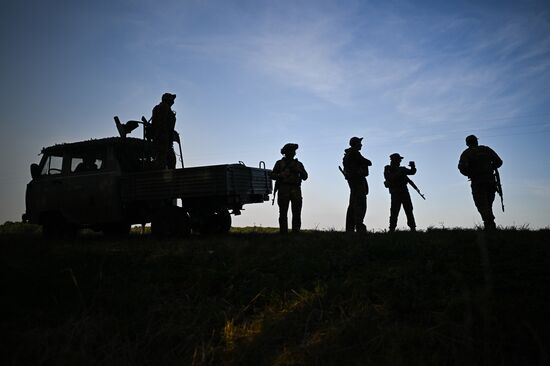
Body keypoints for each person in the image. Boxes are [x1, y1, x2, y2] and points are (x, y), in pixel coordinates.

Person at [458, 135, 503, 230]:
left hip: (478, 182)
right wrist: (490, 167)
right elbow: (499, 162)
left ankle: (490, 225)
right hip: (490, 181)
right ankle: (490, 225)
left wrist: (470, 173)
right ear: (476, 141)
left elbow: (462, 168)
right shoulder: (486, 150)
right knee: (488, 203)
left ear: (467, 143)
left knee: (482, 204)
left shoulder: (467, 153)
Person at [271, 143, 308, 233]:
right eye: (291, 151)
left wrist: (299, 170)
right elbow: (272, 175)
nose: (294, 153)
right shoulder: (279, 163)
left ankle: (296, 232)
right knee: (283, 212)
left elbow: (305, 176)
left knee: (296, 212)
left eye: (294, 151)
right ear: (286, 152)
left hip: (296, 189)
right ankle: (283, 232)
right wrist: (281, 175)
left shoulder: (299, 164)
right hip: (283, 188)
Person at [342, 137, 372, 233]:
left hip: (354, 182)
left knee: (352, 205)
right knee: (360, 205)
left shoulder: (349, 154)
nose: (361, 145)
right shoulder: (354, 153)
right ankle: (360, 228)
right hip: (357, 182)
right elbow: (368, 162)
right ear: (356, 144)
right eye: (359, 143)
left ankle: (350, 229)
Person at [384, 153, 417, 232]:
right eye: (399, 160)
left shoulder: (402, 169)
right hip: (395, 193)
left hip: (404, 192)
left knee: (409, 210)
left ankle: (413, 228)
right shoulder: (388, 168)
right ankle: (392, 229)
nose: (400, 161)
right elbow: (389, 177)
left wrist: (413, 166)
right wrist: (399, 172)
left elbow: (412, 172)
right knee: (394, 211)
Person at [151, 92, 177, 169]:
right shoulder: (164, 108)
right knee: (165, 159)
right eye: (171, 99)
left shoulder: (161, 108)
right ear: (168, 100)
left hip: (163, 138)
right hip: (163, 138)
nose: (173, 101)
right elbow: (163, 124)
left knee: (169, 159)